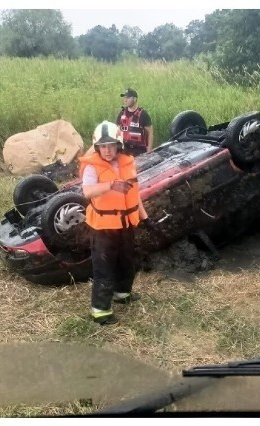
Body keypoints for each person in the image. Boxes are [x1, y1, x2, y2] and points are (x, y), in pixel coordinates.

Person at [80, 121, 152, 325]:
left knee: (128, 262)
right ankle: (100, 310)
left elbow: (134, 194)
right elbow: (87, 191)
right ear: (97, 147)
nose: (108, 150)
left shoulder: (127, 162)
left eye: (111, 145)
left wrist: (145, 218)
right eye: (103, 146)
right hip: (103, 228)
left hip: (126, 224)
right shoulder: (92, 167)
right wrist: (110, 185)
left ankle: (122, 293)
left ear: (118, 144)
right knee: (104, 268)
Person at [116, 87, 153, 156]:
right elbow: (117, 132)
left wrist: (149, 151)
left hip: (139, 151)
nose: (125, 100)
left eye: (128, 98)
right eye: (124, 98)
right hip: (125, 149)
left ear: (135, 99)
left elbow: (150, 133)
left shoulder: (143, 114)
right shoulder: (121, 113)